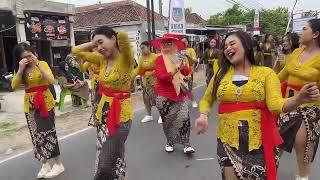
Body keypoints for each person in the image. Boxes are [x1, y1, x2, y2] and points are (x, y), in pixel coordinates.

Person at [195, 31, 319, 180]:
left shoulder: (266, 73)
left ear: (246, 45)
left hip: (258, 141)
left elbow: (276, 105)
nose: (228, 48)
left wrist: (298, 99)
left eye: (232, 44)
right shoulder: (221, 74)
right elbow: (206, 100)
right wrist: (203, 115)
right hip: (227, 140)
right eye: (225, 46)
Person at [72, 26, 134, 180]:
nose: (99, 47)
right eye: (96, 45)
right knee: (114, 154)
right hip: (103, 112)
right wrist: (94, 44)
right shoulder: (101, 59)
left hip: (121, 116)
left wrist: (112, 37)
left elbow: (124, 35)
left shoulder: (125, 58)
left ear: (114, 39)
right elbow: (75, 51)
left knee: (106, 160)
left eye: (101, 42)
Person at [11, 43, 65, 179]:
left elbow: (51, 80)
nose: (28, 59)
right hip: (29, 105)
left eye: (29, 55)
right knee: (36, 136)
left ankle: (58, 164)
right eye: (24, 58)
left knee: (47, 133)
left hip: (45, 103)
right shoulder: (21, 70)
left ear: (33, 53)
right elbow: (14, 85)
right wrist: (20, 69)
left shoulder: (42, 63)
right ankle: (45, 163)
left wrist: (38, 65)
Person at [278, 19, 320, 180]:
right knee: (276, 144)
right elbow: (281, 76)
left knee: (302, 149)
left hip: (310, 110)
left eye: (304, 29)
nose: (300, 32)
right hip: (288, 105)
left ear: (315, 34)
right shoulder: (296, 53)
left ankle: (303, 177)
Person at [152, 33, 195, 154]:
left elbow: (186, 72)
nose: (166, 45)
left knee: (184, 118)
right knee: (168, 121)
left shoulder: (178, 57)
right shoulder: (159, 59)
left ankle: (187, 144)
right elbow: (162, 77)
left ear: (174, 44)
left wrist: (183, 65)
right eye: (164, 43)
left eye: (169, 43)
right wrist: (175, 69)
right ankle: (169, 142)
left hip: (179, 93)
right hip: (163, 96)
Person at [132, 41, 160, 123]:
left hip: (155, 81)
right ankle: (148, 115)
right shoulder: (141, 58)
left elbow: (160, 68)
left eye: (143, 48)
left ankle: (161, 115)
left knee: (157, 99)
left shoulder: (154, 56)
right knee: (146, 98)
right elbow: (137, 69)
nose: (142, 50)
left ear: (149, 48)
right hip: (145, 81)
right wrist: (131, 77)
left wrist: (152, 72)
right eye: (141, 48)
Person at [181, 36, 198, 108]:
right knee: (181, 88)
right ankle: (182, 103)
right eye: (182, 41)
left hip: (189, 72)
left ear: (188, 42)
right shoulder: (178, 51)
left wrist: (187, 55)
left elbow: (195, 61)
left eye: (185, 41)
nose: (184, 42)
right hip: (180, 73)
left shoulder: (191, 50)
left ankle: (193, 101)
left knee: (189, 89)